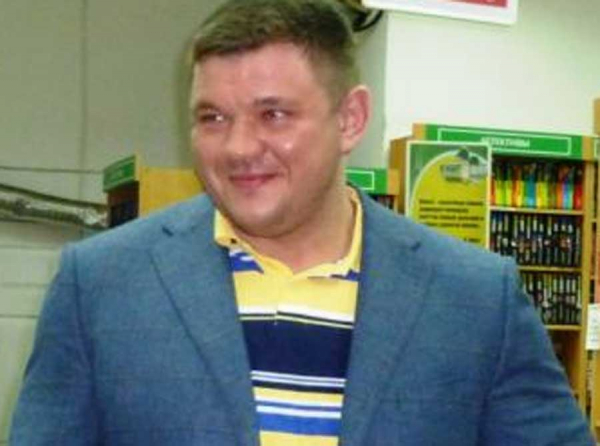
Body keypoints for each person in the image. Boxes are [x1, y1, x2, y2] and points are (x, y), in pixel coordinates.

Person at [9, 0, 594, 445]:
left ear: (350, 119)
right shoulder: (101, 286)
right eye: (212, 117)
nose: (238, 148)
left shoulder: (475, 300)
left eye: (273, 114)